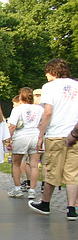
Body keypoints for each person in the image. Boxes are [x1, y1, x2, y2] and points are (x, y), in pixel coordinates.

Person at [28, 59, 78, 220]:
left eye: (48, 71)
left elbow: (48, 112)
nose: (46, 74)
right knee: (73, 172)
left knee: (52, 169)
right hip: (74, 134)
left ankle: (45, 203)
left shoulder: (49, 87)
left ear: (54, 71)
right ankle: (71, 208)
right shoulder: (76, 85)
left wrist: (41, 134)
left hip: (56, 133)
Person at [7, 88, 43, 199]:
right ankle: (32, 190)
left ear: (21, 97)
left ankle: (17, 189)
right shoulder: (39, 109)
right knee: (34, 165)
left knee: (16, 163)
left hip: (21, 136)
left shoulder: (18, 109)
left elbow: (12, 126)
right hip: (35, 136)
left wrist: (8, 139)